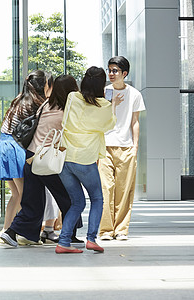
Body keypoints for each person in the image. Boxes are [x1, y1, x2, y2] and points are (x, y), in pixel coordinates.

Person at [0, 74, 79, 247]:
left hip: (31, 157)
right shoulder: (67, 110)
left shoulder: (45, 105)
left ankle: (12, 233)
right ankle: (68, 235)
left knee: (32, 201)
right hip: (47, 160)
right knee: (69, 198)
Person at [56, 66, 123, 254]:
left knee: (77, 202)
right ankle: (91, 239)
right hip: (84, 159)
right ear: (101, 84)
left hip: (65, 159)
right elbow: (109, 125)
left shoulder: (72, 97)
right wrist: (114, 105)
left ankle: (63, 242)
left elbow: (65, 121)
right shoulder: (104, 106)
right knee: (97, 198)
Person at [0, 70, 52, 240]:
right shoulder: (35, 103)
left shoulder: (19, 99)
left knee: (16, 194)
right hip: (14, 147)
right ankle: (20, 234)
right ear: (43, 86)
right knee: (27, 195)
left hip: (3, 145)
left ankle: (5, 231)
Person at [98, 56, 146, 241]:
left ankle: (121, 229)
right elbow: (100, 119)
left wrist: (135, 148)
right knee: (105, 188)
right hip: (104, 146)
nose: (111, 73)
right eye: (109, 70)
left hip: (126, 147)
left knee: (124, 190)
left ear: (124, 73)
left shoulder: (134, 94)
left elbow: (135, 122)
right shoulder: (104, 92)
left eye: (115, 71)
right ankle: (105, 230)